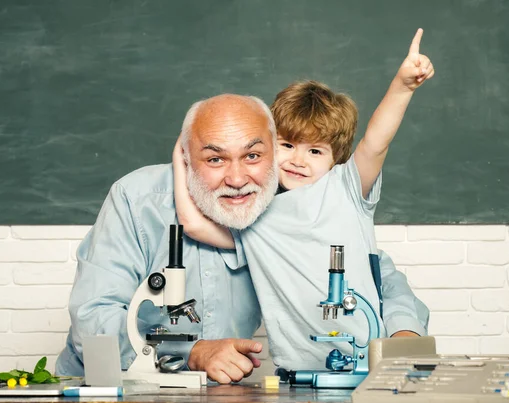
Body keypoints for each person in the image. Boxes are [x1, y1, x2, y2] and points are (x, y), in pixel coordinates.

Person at [173, 29, 433, 370]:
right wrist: (183, 155)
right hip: (298, 372)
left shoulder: (346, 188)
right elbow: (192, 223)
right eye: (288, 145)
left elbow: (376, 142)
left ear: (335, 158)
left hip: (369, 360)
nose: (298, 160)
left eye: (314, 150)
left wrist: (403, 85)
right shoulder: (254, 218)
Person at [56, 94, 279, 383]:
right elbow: (92, 321)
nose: (237, 180)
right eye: (215, 159)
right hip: (108, 388)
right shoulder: (136, 200)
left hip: (214, 392)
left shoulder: (282, 214)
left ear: (276, 152)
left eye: (252, 156)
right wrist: (192, 351)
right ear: (185, 159)